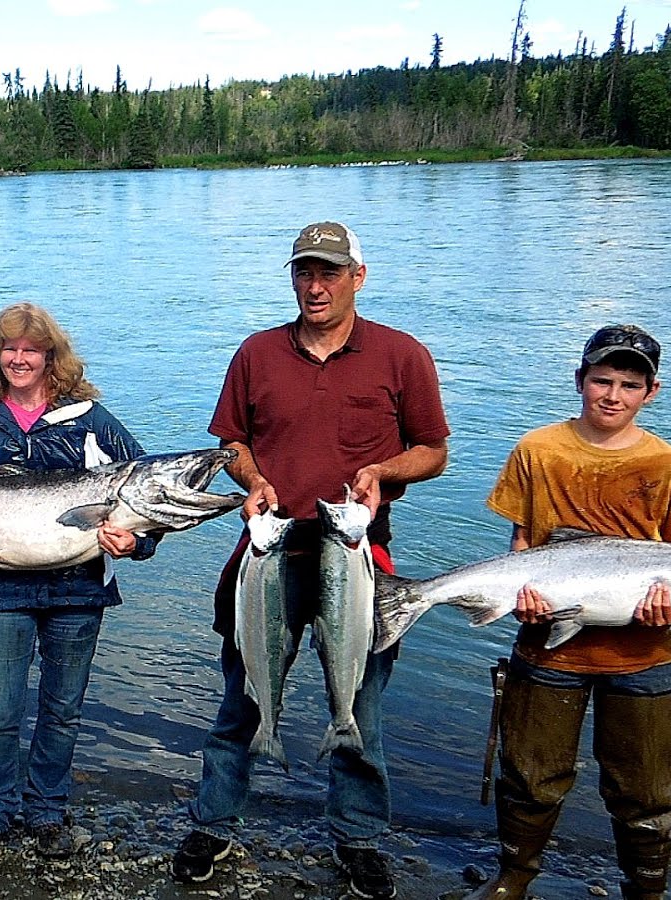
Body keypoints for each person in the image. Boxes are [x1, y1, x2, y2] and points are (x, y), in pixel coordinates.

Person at [173, 222, 450, 898]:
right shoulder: (257, 353)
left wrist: (383, 470)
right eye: (304, 272)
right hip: (268, 550)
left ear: (359, 275)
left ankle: (358, 839)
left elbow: (435, 451)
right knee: (241, 700)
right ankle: (213, 821)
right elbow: (231, 442)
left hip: (356, 558)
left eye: (329, 272)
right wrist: (253, 480)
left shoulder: (402, 355)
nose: (315, 286)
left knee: (360, 703)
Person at [0, 302, 156, 863]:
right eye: (9, 349)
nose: (19, 358)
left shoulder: (93, 422)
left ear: (50, 357)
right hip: (0, 590)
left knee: (62, 709)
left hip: (79, 590)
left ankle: (47, 811)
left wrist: (136, 544)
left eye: (31, 349)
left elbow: (148, 496)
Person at [469, 325, 671, 900]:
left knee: (645, 785)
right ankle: (512, 880)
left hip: (642, 657)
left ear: (651, 392)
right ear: (580, 381)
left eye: (629, 384)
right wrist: (522, 597)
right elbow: (522, 545)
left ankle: (646, 890)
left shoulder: (667, 463)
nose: (613, 395)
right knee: (531, 775)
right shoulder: (538, 449)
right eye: (602, 380)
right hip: (547, 646)